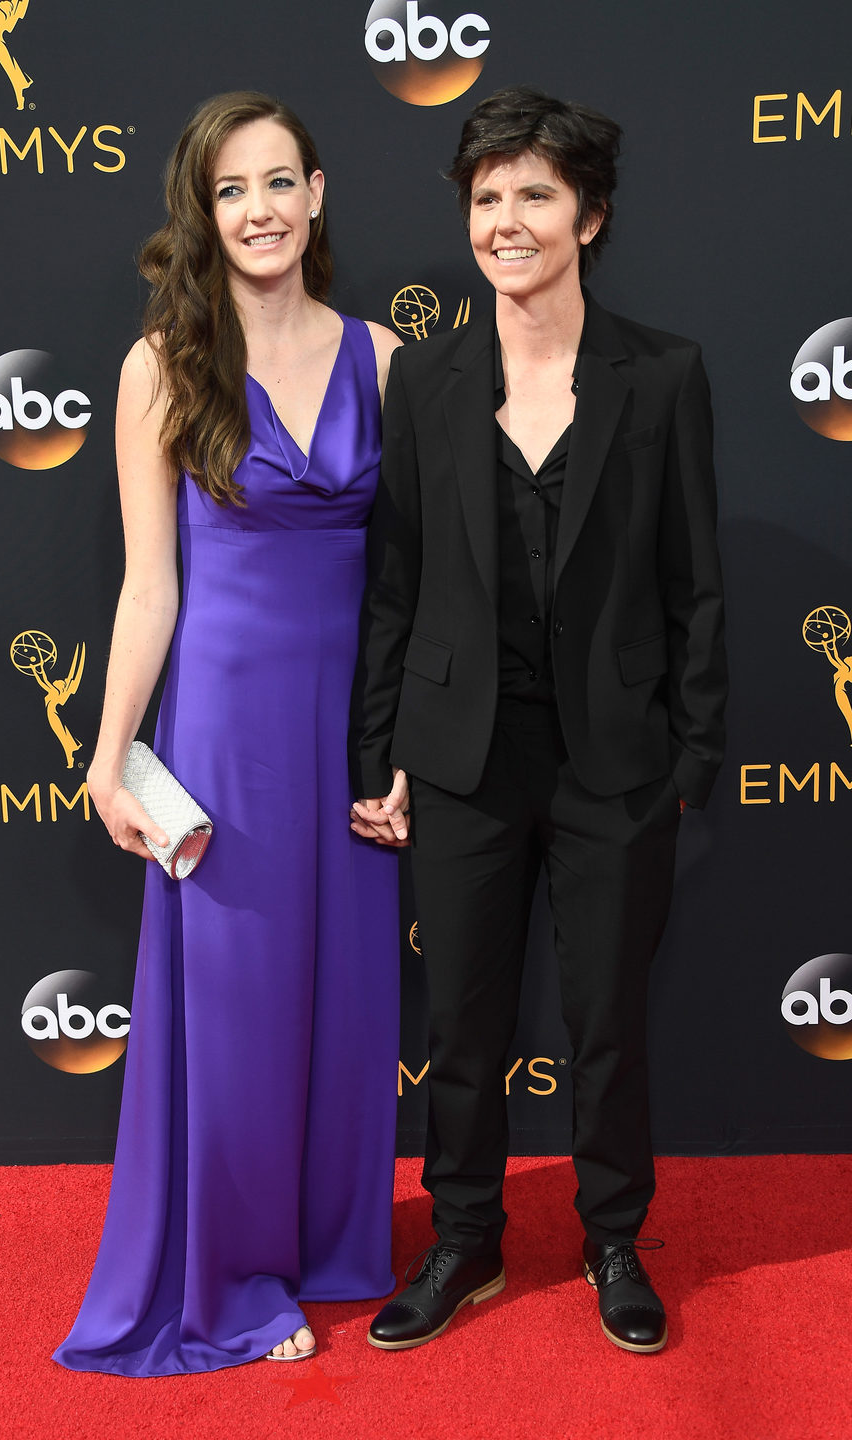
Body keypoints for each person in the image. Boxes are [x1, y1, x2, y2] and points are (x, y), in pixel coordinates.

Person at [350, 86, 727, 1354]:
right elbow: (394, 582)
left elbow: (698, 583)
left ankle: (615, 1236)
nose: (506, 221)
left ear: (590, 214)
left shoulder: (664, 374)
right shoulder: (428, 379)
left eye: (535, 196)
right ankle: (464, 1241)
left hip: (616, 761)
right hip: (461, 757)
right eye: (487, 198)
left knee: (608, 1019)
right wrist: (378, 750)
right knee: (461, 1021)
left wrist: (692, 752)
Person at [53, 91, 401, 1376]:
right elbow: (151, 586)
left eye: (277, 182)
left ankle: (330, 1243)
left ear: (317, 197)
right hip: (228, 729)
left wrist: (406, 739)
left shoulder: (386, 357)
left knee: (349, 998)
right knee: (242, 1007)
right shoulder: (166, 363)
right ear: (206, 215)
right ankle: (234, 1278)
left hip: (347, 730)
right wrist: (108, 757)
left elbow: (418, 584)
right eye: (229, 190)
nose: (257, 211)